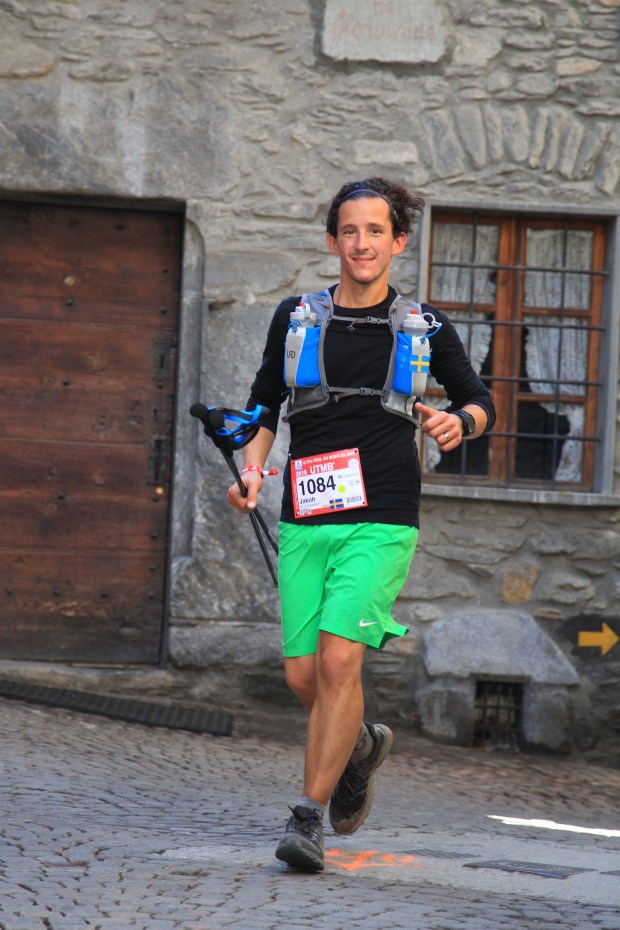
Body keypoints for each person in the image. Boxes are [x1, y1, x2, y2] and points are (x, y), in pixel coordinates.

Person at [226, 177, 495, 872]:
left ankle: (307, 819)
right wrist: (253, 471)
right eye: (350, 231)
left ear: (397, 241)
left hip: (382, 515)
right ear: (332, 241)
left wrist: (454, 422)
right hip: (309, 513)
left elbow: (478, 401)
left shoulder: (424, 327)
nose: (362, 243)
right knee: (303, 676)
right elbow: (263, 407)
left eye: (376, 231)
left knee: (342, 658)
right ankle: (362, 746)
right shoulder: (297, 318)